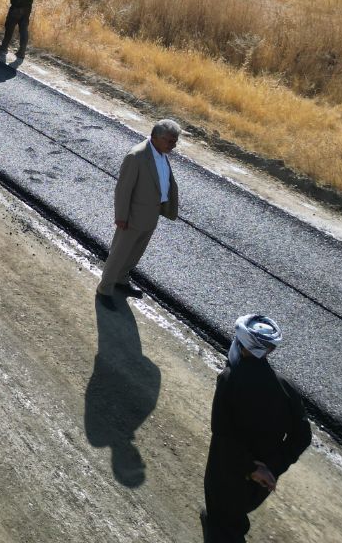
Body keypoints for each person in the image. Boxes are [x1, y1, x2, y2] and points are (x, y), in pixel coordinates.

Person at [201, 315, 311, 542]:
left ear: (240, 344)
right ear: (270, 350)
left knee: (224, 528)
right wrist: (271, 468)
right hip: (260, 484)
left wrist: (250, 467)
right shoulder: (286, 387)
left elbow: (222, 436)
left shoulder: (229, 380)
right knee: (233, 518)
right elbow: (302, 436)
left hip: (226, 476)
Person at [96, 118, 181, 307]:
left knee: (135, 253)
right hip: (132, 217)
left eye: (175, 142)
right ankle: (105, 289)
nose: (173, 146)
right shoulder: (136, 156)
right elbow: (123, 189)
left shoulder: (161, 153)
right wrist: (121, 217)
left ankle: (121, 280)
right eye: (170, 141)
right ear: (156, 137)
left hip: (150, 215)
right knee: (119, 254)